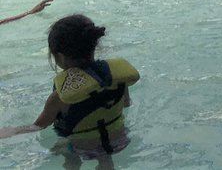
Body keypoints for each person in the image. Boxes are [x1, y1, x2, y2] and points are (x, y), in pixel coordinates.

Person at [0, 14, 140, 158]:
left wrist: (11, 131)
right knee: (105, 158)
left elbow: (37, 126)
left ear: (60, 56)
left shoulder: (60, 97)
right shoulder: (116, 78)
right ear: (94, 45)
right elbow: (126, 104)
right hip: (120, 141)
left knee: (64, 151)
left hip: (82, 149)